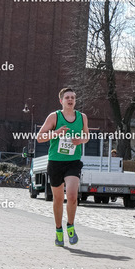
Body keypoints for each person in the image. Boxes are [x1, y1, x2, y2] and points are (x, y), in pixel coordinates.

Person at [37, 87, 89, 246]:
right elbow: (40, 138)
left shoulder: (82, 117)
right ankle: (58, 230)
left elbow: (86, 135)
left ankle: (70, 226)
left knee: (72, 196)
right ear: (61, 100)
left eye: (73, 97)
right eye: (67, 97)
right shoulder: (54, 117)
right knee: (58, 199)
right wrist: (56, 133)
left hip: (73, 161)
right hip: (55, 162)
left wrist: (80, 140)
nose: (70, 99)